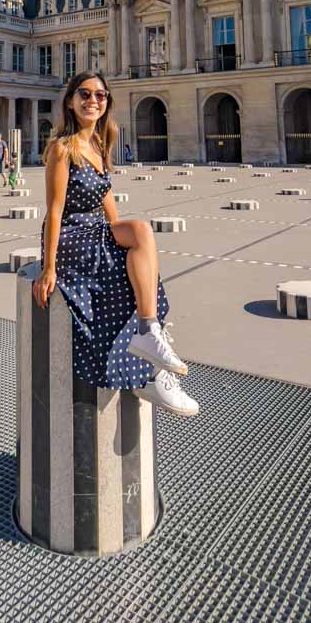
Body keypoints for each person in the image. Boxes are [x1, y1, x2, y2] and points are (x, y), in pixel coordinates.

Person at [32, 71, 199, 417]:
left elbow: (110, 208)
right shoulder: (62, 150)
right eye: (85, 94)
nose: (93, 100)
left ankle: (149, 339)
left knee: (139, 242)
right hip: (71, 234)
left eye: (100, 95)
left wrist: (123, 243)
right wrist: (48, 268)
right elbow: (54, 210)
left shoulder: (99, 145)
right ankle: (151, 367)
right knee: (135, 247)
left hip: (95, 230)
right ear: (70, 101)